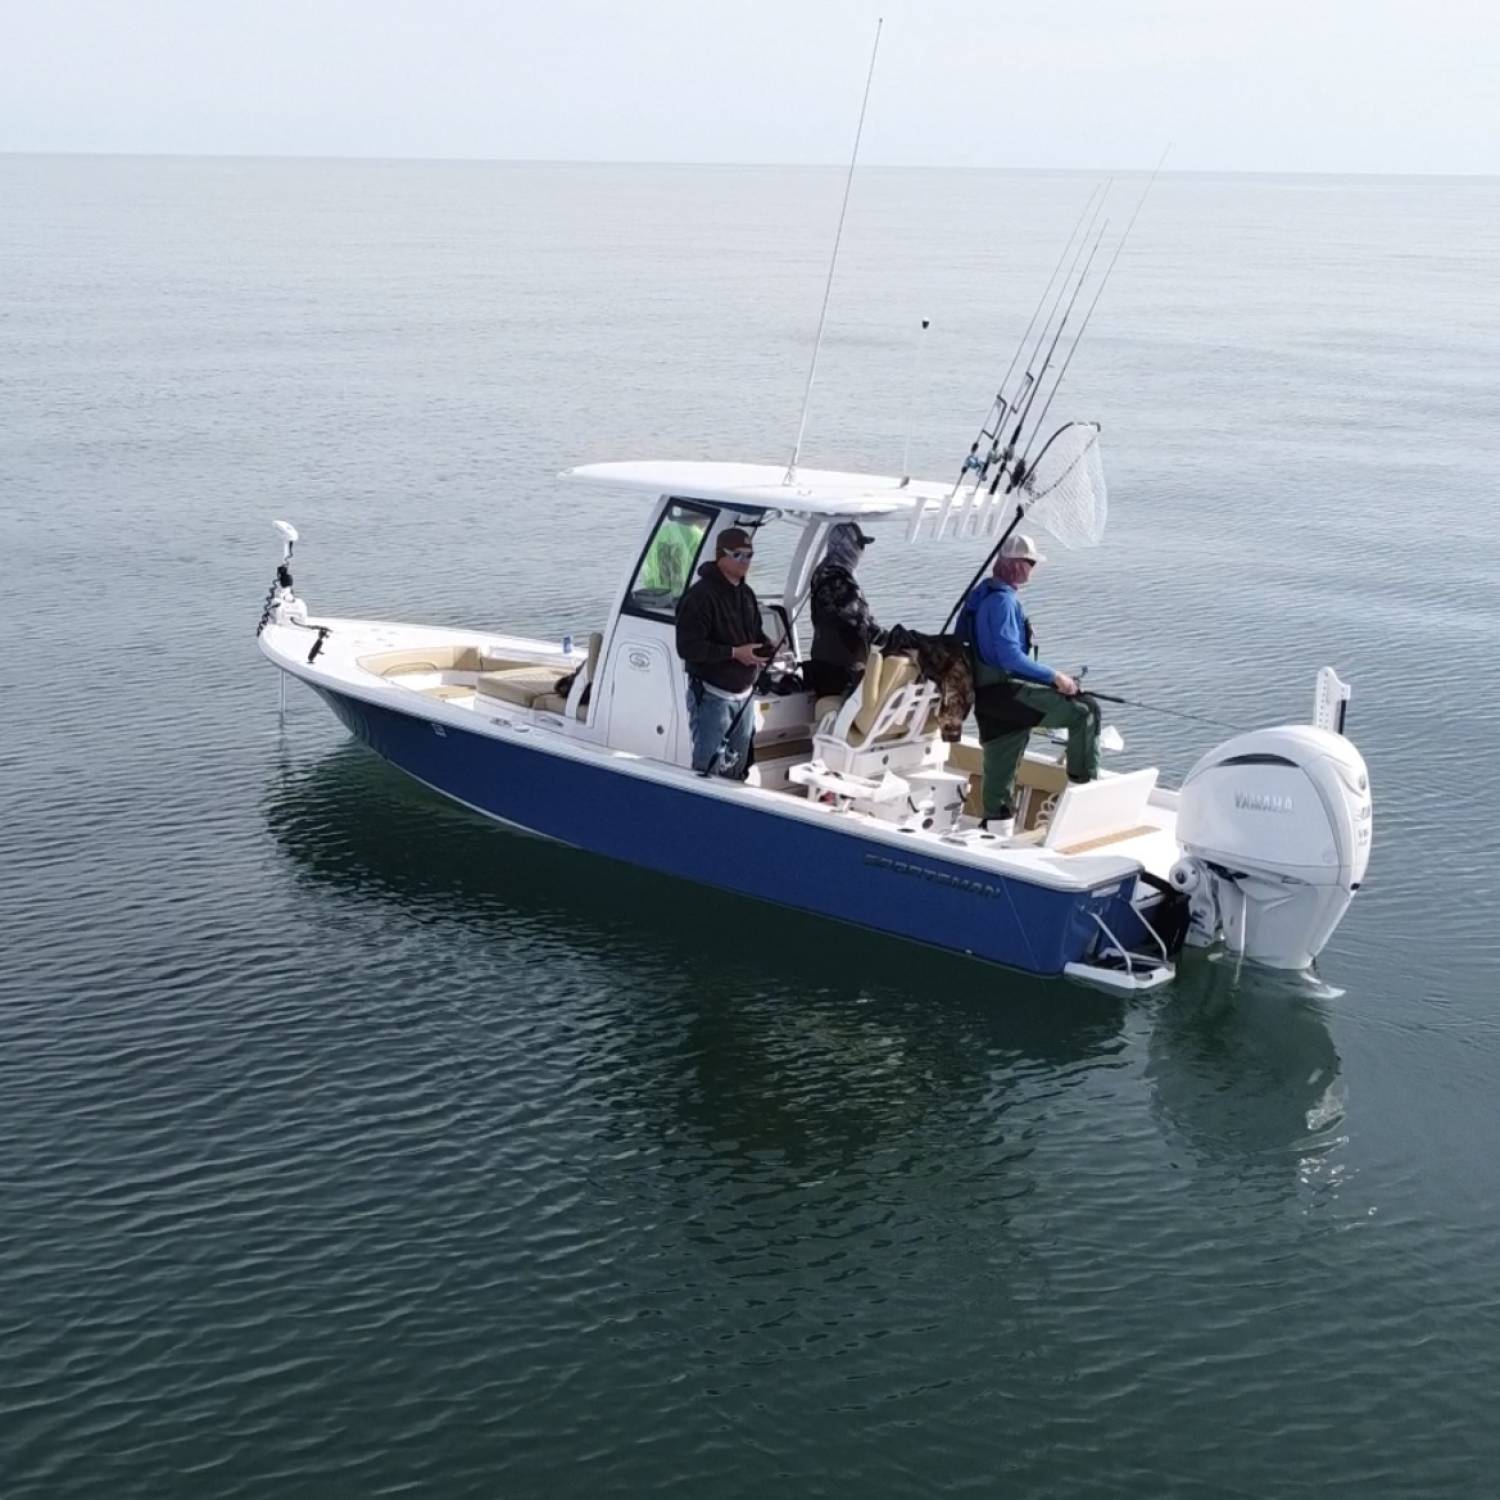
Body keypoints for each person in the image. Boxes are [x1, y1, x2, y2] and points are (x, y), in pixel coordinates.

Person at [957, 532, 1099, 835]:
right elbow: (1010, 658)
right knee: (1085, 711)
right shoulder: (1003, 602)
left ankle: (996, 830)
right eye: (1031, 562)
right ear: (1015, 565)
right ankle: (1084, 791)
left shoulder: (980, 596)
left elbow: (964, 642)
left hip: (986, 700)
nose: (1033, 569)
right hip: (1008, 695)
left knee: (999, 778)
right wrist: (1055, 677)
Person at [675, 527, 771, 778]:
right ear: (721, 556)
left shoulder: (747, 594)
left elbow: (756, 634)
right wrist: (733, 653)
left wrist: (769, 648)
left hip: (745, 696)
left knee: (738, 767)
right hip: (711, 697)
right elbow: (687, 647)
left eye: (749, 555)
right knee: (708, 768)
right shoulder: (699, 597)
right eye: (738, 555)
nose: (745, 562)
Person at [805, 521, 881, 699]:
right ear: (844, 544)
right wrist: (891, 639)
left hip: (827, 658)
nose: (861, 550)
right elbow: (858, 621)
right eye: (858, 544)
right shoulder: (836, 579)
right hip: (840, 665)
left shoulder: (826, 570)